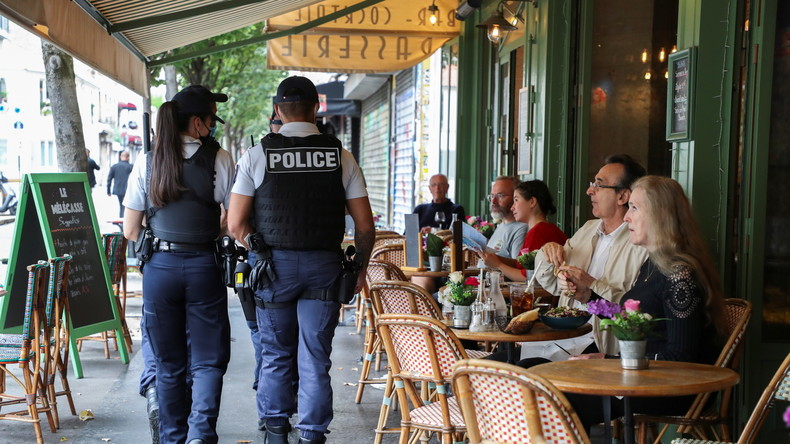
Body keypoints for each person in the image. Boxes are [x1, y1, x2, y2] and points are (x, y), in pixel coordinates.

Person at [227, 76, 374, 444]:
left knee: (276, 354)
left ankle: (276, 430)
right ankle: (312, 434)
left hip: (273, 269)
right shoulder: (341, 156)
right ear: (317, 108)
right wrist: (359, 269)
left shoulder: (258, 154)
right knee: (314, 356)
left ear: (278, 110)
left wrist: (256, 245)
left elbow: (234, 223)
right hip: (324, 268)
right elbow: (365, 227)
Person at [561, 175, 727, 432]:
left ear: (661, 216)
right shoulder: (654, 264)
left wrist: (609, 360)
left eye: (635, 208)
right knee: (531, 372)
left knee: (555, 397)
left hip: (670, 390)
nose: (626, 217)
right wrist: (589, 298)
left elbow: (679, 358)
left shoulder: (679, 275)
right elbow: (631, 323)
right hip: (640, 378)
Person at [123, 85, 235, 444]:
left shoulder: (147, 160)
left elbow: (129, 229)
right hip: (205, 267)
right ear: (198, 123)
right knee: (208, 360)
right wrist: (205, 231)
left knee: (169, 363)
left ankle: (172, 437)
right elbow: (232, 221)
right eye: (211, 121)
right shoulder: (221, 159)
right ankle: (201, 434)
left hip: (159, 271)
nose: (213, 128)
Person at [534, 154, 648, 355]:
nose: (589, 191)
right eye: (592, 183)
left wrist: (590, 286)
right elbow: (551, 284)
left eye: (599, 185)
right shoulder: (587, 229)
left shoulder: (640, 244)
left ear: (623, 196)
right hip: (562, 335)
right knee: (495, 363)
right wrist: (548, 252)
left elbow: (637, 315)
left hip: (603, 345)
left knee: (520, 369)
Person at [481, 179, 568, 281]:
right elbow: (520, 265)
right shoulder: (542, 228)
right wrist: (493, 259)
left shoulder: (539, 232)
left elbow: (528, 277)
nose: (512, 207)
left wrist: (498, 265)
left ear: (532, 202)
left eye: (516, 200)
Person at [484, 176, 529, 259]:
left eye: (500, 196)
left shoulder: (521, 229)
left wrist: (494, 262)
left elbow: (519, 266)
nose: (493, 201)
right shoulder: (502, 225)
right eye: (492, 196)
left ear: (515, 198)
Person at [107, 151, 133, 218]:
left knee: (121, 205)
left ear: (120, 157)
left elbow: (109, 179)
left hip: (118, 190)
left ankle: (122, 220)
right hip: (128, 190)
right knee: (127, 206)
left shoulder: (114, 166)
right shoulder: (131, 167)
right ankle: (125, 221)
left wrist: (108, 191)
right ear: (128, 157)